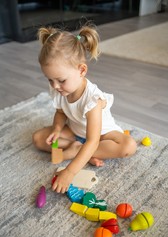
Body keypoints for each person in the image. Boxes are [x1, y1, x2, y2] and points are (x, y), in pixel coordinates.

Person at [32, 24, 137, 194]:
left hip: (100, 136)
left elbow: (93, 140)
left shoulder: (92, 100)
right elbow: (60, 112)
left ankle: (74, 153)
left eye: (60, 80)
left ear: (81, 70)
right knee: (38, 139)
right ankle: (78, 152)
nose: (55, 86)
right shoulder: (59, 87)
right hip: (75, 131)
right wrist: (57, 129)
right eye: (50, 80)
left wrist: (69, 172)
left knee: (128, 146)